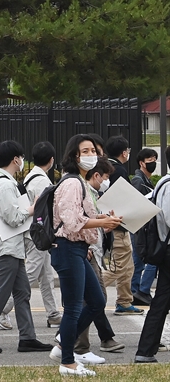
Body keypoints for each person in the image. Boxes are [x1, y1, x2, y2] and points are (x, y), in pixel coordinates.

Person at [48, 135, 123, 376]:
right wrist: (100, 222)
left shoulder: (80, 182)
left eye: (94, 150)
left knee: (97, 301)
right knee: (72, 307)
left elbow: (82, 219)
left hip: (79, 250)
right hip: (68, 249)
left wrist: (104, 222)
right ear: (75, 156)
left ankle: (64, 343)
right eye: (86, 151)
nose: (92, 154)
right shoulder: (72, 183)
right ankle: (67, 361)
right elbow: (72, 222)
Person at [0, 140, 52, 354]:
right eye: (21, 157)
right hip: (5, 246)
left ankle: (27, 337)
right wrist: (32, 209)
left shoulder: (2, 181)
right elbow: (13, 218)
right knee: (1, 293)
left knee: (22, 291)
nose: (22, 161)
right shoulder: (4, 185)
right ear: (15, 159)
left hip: (11, 246)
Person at [0, 141, 63, 330]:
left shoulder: (30, 177)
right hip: (39, 235)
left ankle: (53, 314)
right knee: (31, 274)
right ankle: (2, 309)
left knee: (46, 274)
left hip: (32, 232)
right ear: (51, 161)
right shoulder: (43, 181)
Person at [102, 135, 144, 316]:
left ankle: (124, 301)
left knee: (128, 267)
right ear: (124, 152)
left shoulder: (108, 168)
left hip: (118, 225)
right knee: (118, 267)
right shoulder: (118, 171)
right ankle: (87, 292)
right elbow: (124, 199)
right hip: (117, 226)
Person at [135, 158, 170, 363]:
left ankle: (146, 350)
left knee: (162, 301)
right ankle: (145, 350)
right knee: (161, 302)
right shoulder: (168, 184)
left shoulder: (163, 183)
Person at [130, 148, 160, 306]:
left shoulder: (146, 180)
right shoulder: (138, 180)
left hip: (144, 226)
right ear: (141, 163)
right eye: (149, 160)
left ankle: (136, 292)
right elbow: (136, 203)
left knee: (139, 261)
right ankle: (137, 291)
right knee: (141, 261)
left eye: (155, 159)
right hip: (140, 228)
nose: (153, 163)